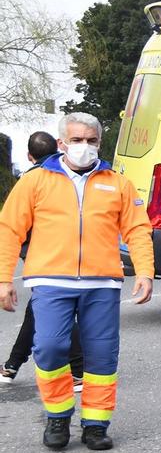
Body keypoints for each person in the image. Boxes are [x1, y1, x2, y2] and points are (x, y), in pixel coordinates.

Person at [0, 113, 154, 450]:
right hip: (51, 281)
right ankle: (57, 417)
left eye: (91, 140)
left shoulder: (117, 183)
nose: (84, 146)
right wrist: (3, 278)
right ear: (61, 144)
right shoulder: (36, 181)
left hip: (102, 284)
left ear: (100, 143)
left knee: (101, 356)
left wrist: (144, 271)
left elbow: (138, 229)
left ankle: (96, 424)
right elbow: (10, 229)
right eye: (77, 140)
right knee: (50, 347)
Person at [2, 131, 79, 383]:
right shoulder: (69, 173)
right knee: (41, 308)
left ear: (29, 156)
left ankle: (78, 368)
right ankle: (13, 364)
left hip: (43, 256)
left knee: (52, 308)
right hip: (68, 251)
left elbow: (14, 226)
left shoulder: (32, 178)